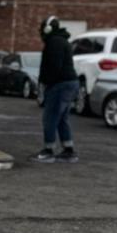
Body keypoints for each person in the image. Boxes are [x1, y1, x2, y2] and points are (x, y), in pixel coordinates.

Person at [31, 15, 79, 163]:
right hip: (69, 82)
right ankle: (68, 150)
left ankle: (48, 150)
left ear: (47, 29)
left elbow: (54, 67)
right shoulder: (62, 41)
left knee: (50, 117)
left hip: (60, 84)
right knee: (61, 118)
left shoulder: (54, 43)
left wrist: (45, 84)